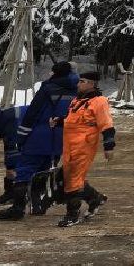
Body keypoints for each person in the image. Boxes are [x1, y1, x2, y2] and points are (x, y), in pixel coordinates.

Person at [0, 60, 77, 221]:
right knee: (43, 170)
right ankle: (38, 205)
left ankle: (17, 208)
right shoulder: (75, 90)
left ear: (55, 73)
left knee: (25, 170)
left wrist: (20, 138)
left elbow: (32, 114)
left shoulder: (47, 88)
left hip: (39, 136)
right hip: (61, 137)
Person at [51, 70, 115, 227]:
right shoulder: (77, 100)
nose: (78, 84)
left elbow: (107, 125)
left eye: (82, 81)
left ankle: (72, 214)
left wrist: (109, 146)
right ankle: (96, 198)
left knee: (72, 180)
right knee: (71, 177)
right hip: (69, 146)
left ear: (92, 84)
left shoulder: (99, 102)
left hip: (84, 147)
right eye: (79, 81)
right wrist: (59, 121)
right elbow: (72, 120)